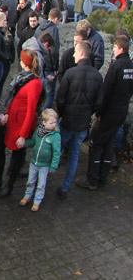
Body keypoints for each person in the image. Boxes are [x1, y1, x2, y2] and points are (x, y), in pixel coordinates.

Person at [78, 35, 133, 190]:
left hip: (109, 112)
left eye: (115, 47)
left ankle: (92, 180)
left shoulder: (116, 66)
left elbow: (106, 91)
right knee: (109, 144)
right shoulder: (131, 65)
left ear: (120, 48)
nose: (113, 50)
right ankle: (102, 178)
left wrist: (99, 112)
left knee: (96, 144)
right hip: (121, 111)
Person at [55, 40, 102, 200]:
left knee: (55, 150)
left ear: (81, 53)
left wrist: (62, 114)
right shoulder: (97, 76)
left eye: (75, 52)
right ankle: (65, 187)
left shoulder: (70, 73)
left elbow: (60, 99)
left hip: (67, 121)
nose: (73, 54)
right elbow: (98, 102)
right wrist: (88, 113)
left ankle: (42, 182)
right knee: (74, 154)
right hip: (82, 123)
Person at [0, 49, 43, 198]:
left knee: (17, 157)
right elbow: (14, 98)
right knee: (0, 147)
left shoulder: (34, 83)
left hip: (20, 126)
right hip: (13, 121)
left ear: (25, 63)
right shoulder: (24, 78)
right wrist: (7, 113)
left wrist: (23, 135)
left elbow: (31, 111)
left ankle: (9, 186)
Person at [20, 109, 61, 211]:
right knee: (30, 181)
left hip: (45, 165)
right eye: (51, 123)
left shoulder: (55, 136)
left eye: (54, 122)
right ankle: (27, 196)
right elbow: (33, 142)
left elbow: (57, 152)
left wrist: (53, 166)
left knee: (41, 184)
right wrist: (24, 143)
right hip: (34, 162)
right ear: (44, 122)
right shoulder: (38, 131)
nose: (53, 125)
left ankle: (37, 201)